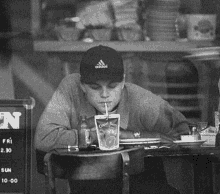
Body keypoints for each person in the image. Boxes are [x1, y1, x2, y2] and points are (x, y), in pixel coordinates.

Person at [35, 45, 190, 194]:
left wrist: (133, 136)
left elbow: (184, 133)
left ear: (123, 82)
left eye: (112, 86)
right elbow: (44, 138)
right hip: (89, 188)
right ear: (82, 85)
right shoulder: (71, 89)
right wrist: (93, 136)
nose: (104, 94)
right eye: (95, 88)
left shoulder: (141, 100)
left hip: (144, 186)